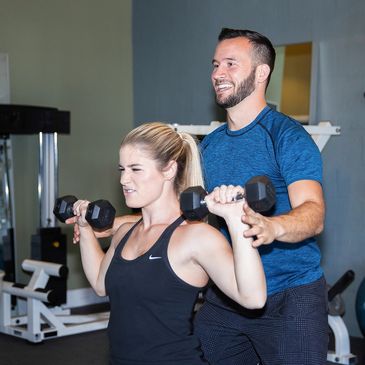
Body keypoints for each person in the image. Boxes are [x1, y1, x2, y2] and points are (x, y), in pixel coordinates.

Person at [71, 122, 266, 365]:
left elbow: (254, 298)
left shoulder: (196, 237)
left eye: (135, 169)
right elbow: (101, 284)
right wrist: (84, 227)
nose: (123, 179)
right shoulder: (124, 232)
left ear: (169, 170)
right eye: (121, 169)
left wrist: (237, 221)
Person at [192, 28, 328, 365]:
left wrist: (272, 228)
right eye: (215, 65)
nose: (218, 73)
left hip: (290, 295)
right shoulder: (210, 145)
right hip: (228, 293)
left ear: (262, 72)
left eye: (230, 64)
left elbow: (313, 213)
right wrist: (122, 226)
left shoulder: (287, 136)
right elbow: (184, 213)